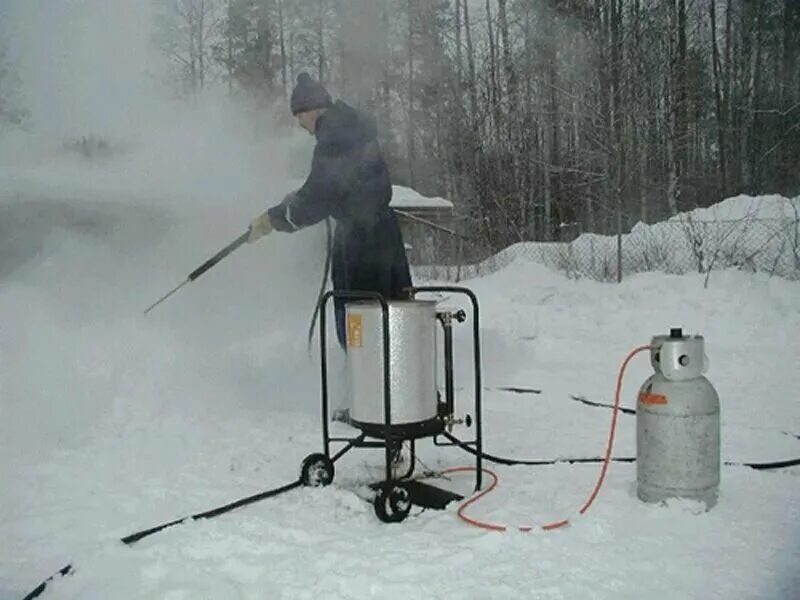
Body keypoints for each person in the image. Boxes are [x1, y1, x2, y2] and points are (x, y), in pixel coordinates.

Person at [247, 71, 412, 351]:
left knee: (359, 326)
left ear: (310, 111)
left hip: (360, 247)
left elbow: (317, 198)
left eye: (299, 118)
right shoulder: (352, 128)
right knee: (397, 321)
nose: (303, 127)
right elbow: (332, 187)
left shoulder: (333, 136)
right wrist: (297, 199)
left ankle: (367, 390)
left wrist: (273, 219)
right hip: (385, 238)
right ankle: (406, 390)